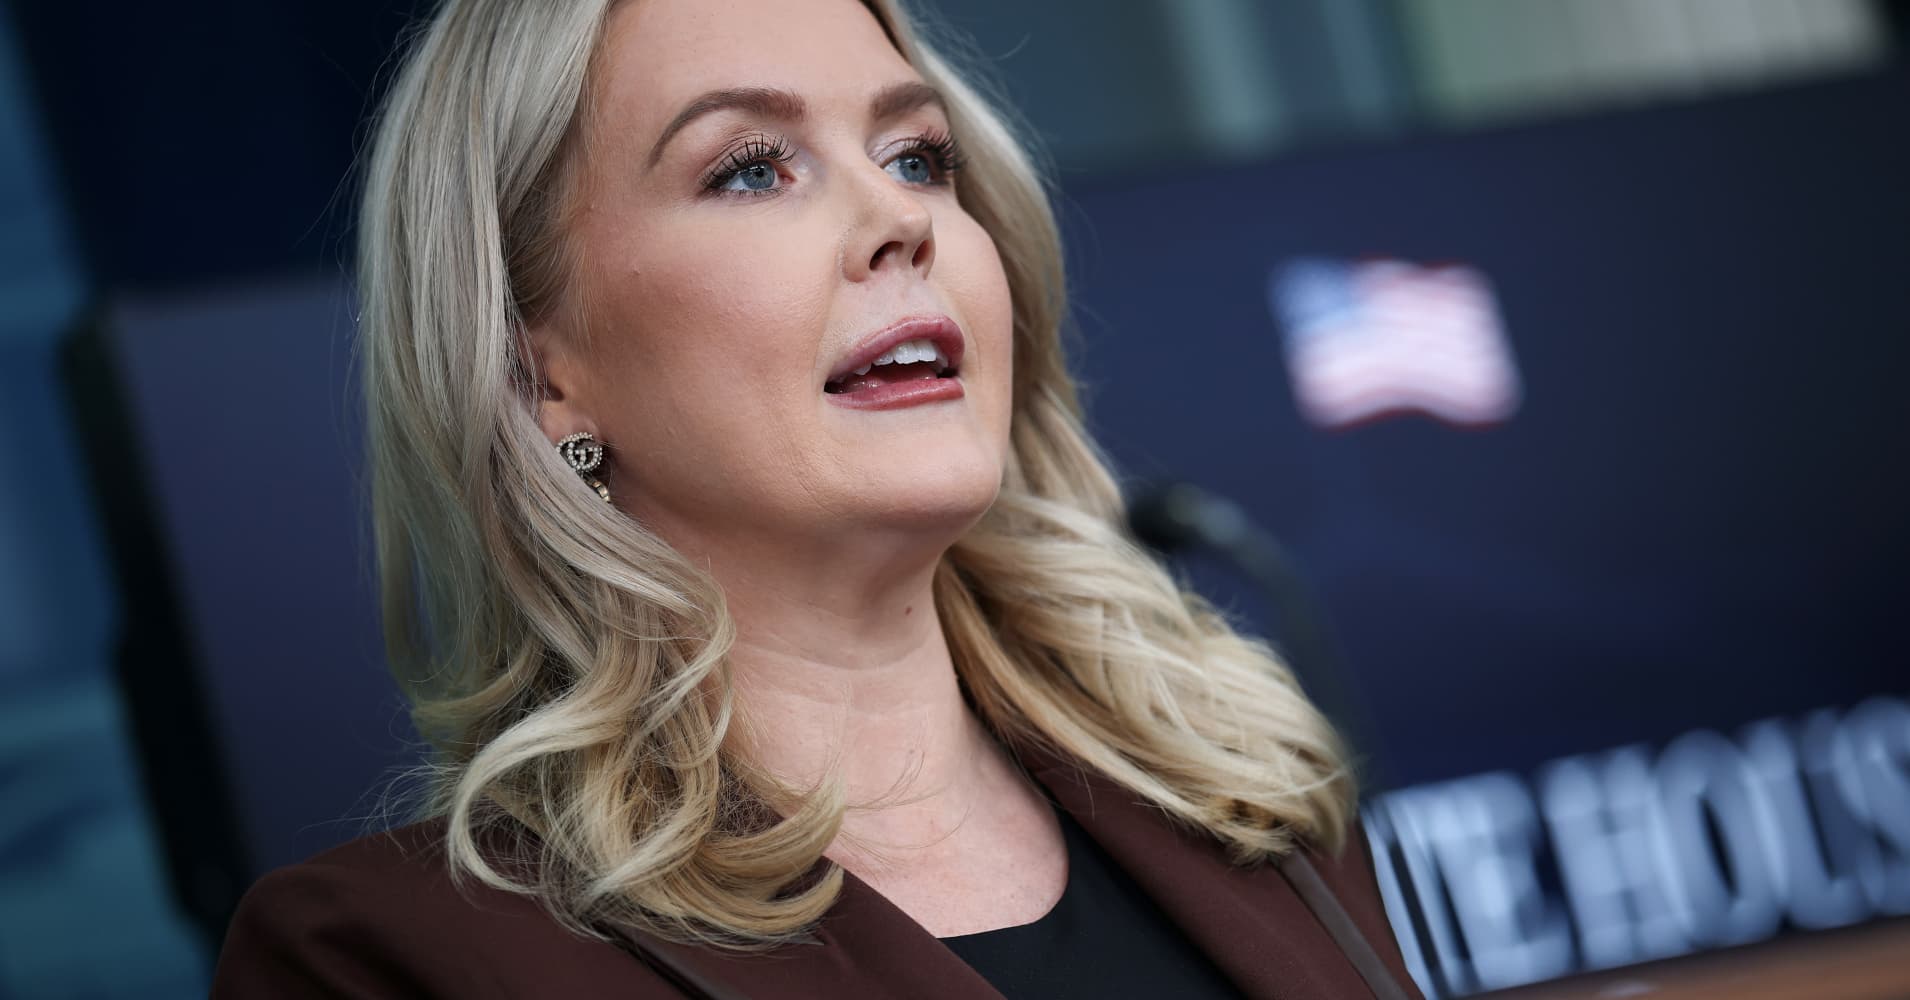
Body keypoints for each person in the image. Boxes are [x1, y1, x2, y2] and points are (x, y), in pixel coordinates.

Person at [212, 0, 1421, 996]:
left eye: (917, 157)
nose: (900, 219)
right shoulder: (389, 964)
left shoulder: (1244, 798)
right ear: (540, 372)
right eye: (750, 169)